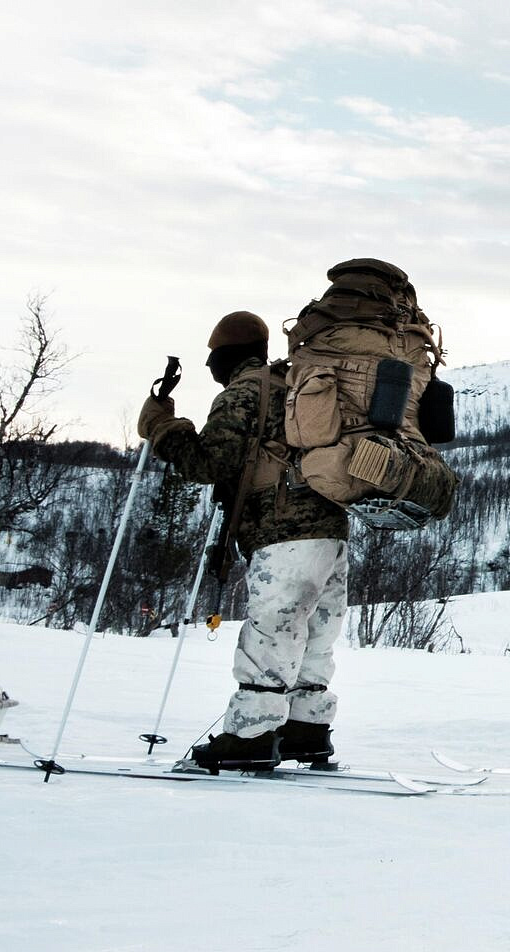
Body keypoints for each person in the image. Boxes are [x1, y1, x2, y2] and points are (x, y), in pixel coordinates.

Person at [137, 311, 351, 773]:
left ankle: (250, 738)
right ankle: (306, 731)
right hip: (332, 530)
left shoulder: (244, 391)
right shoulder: (295, 383)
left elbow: (209, 462)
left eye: (213, 356)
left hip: (281, 531)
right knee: (315, 635)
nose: (210, 365)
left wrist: (161, 428)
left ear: (225, 355)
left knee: (271, 631)